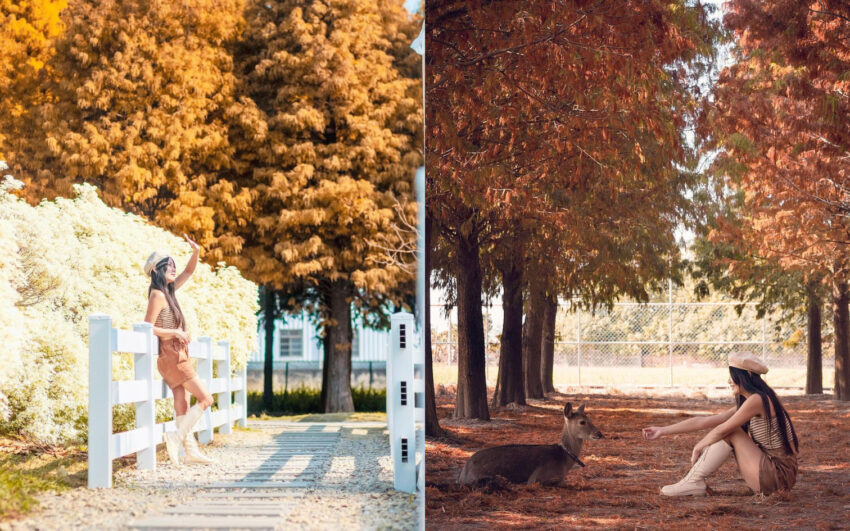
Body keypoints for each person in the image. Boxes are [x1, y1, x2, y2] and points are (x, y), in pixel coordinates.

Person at [642, 351, 798, 496]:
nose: (729, 381)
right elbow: (704, 421)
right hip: (776, 475)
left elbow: (722, 430)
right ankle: (692, 482)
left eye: (732, 376)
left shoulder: (757, 400)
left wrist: (699, 446)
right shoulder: (754, 401)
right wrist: (662, 430)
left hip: (778, 476)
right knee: (730, 429)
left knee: (732, 431)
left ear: (748, 375)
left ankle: (693, 482)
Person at [143, 235, 215, 465]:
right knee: (206, 399)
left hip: (174, 355)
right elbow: (147, 327)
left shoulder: (169, 292)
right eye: (169, 266)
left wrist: (196, 252)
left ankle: (190, 451)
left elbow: (189, 272)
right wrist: (175, 332)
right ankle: (176, 436)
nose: (174, 269)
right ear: (157, 270)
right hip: (172, 356)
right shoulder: (157, 295)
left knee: (181, 402)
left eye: (174, 265)